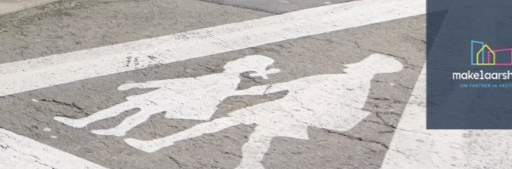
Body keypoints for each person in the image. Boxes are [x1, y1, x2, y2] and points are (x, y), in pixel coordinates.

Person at [126, 53, 405, 169]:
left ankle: (159, 142)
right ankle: (249, 164)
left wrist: (236, 92)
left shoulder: (349, 80)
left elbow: (285, 87)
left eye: (366, 59)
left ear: (370, 65)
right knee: (254, 134)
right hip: (293, 110)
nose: (359, 60)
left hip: (290, 109)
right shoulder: (358, 83)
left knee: (226, 123)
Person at [55, 54, 278, 136]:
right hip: (180, 96)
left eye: (239, 62)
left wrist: (142, 84)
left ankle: (85, 122)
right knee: (141, 110)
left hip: (176, 94)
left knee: (128, 107)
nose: (232, 61)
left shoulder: (224, 78)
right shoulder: (230, 80)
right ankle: (117, 129)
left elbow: (183, 82)